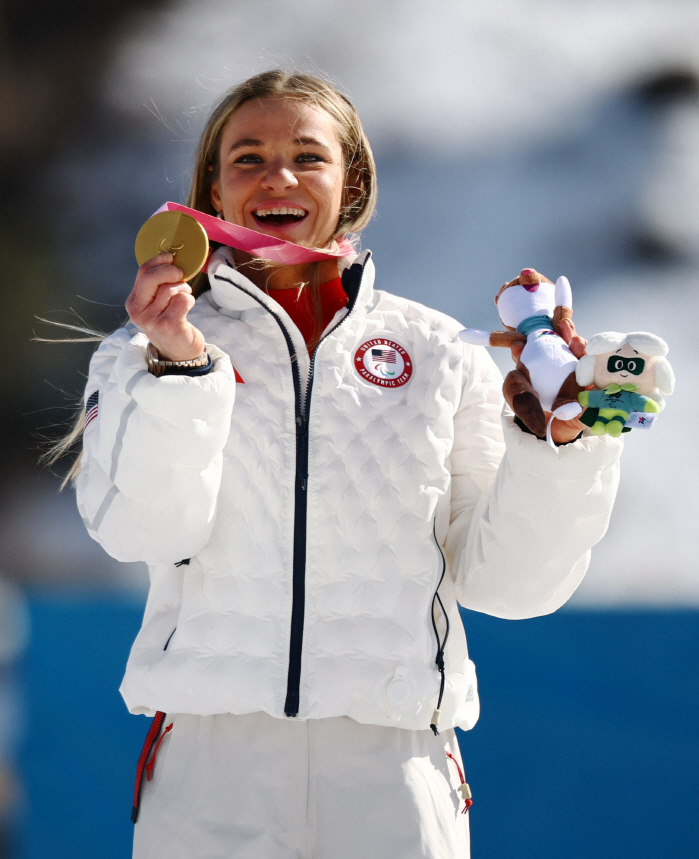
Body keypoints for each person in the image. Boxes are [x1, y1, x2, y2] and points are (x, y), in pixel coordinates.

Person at [74, 70, 622, 859]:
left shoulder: (439, 354)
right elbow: (142, 529)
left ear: (352, 179)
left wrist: (558, 448)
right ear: (212, 193)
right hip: (210, 772)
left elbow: (512, 588)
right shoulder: (143, 353)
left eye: (307, 155)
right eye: (248, 157)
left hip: (394, 772)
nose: (278, 176)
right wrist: (182, 373)